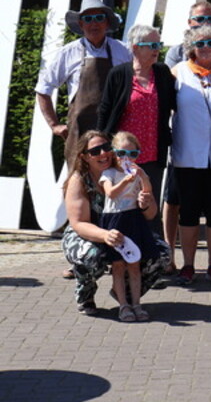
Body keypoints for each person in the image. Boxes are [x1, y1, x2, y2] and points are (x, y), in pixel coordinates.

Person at [62, 130, 168, 316]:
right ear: (84, 157)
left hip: (124, 229)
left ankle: (125, 295)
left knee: (161, 253)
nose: (103, 153)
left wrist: (145, 203)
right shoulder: (79, 180)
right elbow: (79, 223)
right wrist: (105, 235)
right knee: (92, 256)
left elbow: (150, 214)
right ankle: (85, 294)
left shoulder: (129, 172)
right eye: (95, 151)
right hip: (89, 234)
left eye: (106, 147)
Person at [170, 24, 211, 286]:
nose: (206, 48)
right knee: (188, 212)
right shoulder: (178, 72)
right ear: (191, 48)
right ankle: (188, 266)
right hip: (187, 154)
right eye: (200, 43)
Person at [36, 0, 131, 165]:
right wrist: (54, 125)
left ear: (107, 23)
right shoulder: (68, 53)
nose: (93, 23)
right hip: (79, 135)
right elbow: (43, 89)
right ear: (81, 25)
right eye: (88, 19)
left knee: (115, 178)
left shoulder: (123, 51)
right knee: (79, 178)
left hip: (115, 130)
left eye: (99, 18)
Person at [97, 24, 177, 236]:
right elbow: (105, 111)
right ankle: (118, 250)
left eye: (158, 44)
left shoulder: (162, 73)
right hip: (123, 157)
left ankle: (151, 251)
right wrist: (102, 147)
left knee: (149, 206)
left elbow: (176, 103)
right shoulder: (118, 74)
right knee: (122, 207)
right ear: (135, 48)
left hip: (152, 155)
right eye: (151, 45)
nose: (157, 50)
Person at [98, 131, 159, 322]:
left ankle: (137, 304)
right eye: (122, 153)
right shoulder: (109, 173)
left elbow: (147, 191)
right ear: (114, 153)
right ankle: (123, 305)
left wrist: (143, 180)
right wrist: (126, 180)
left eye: (133, 154)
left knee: (134, 265)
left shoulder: (138, 173)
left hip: (133, 219)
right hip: (114, 220)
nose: (127, 158)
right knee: (118, 265)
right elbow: (110, 193)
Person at [163, 1, 211, 67]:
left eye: (210, 19)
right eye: (200, 19)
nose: (206, 23)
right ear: (189, 22)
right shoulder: (176, 52)